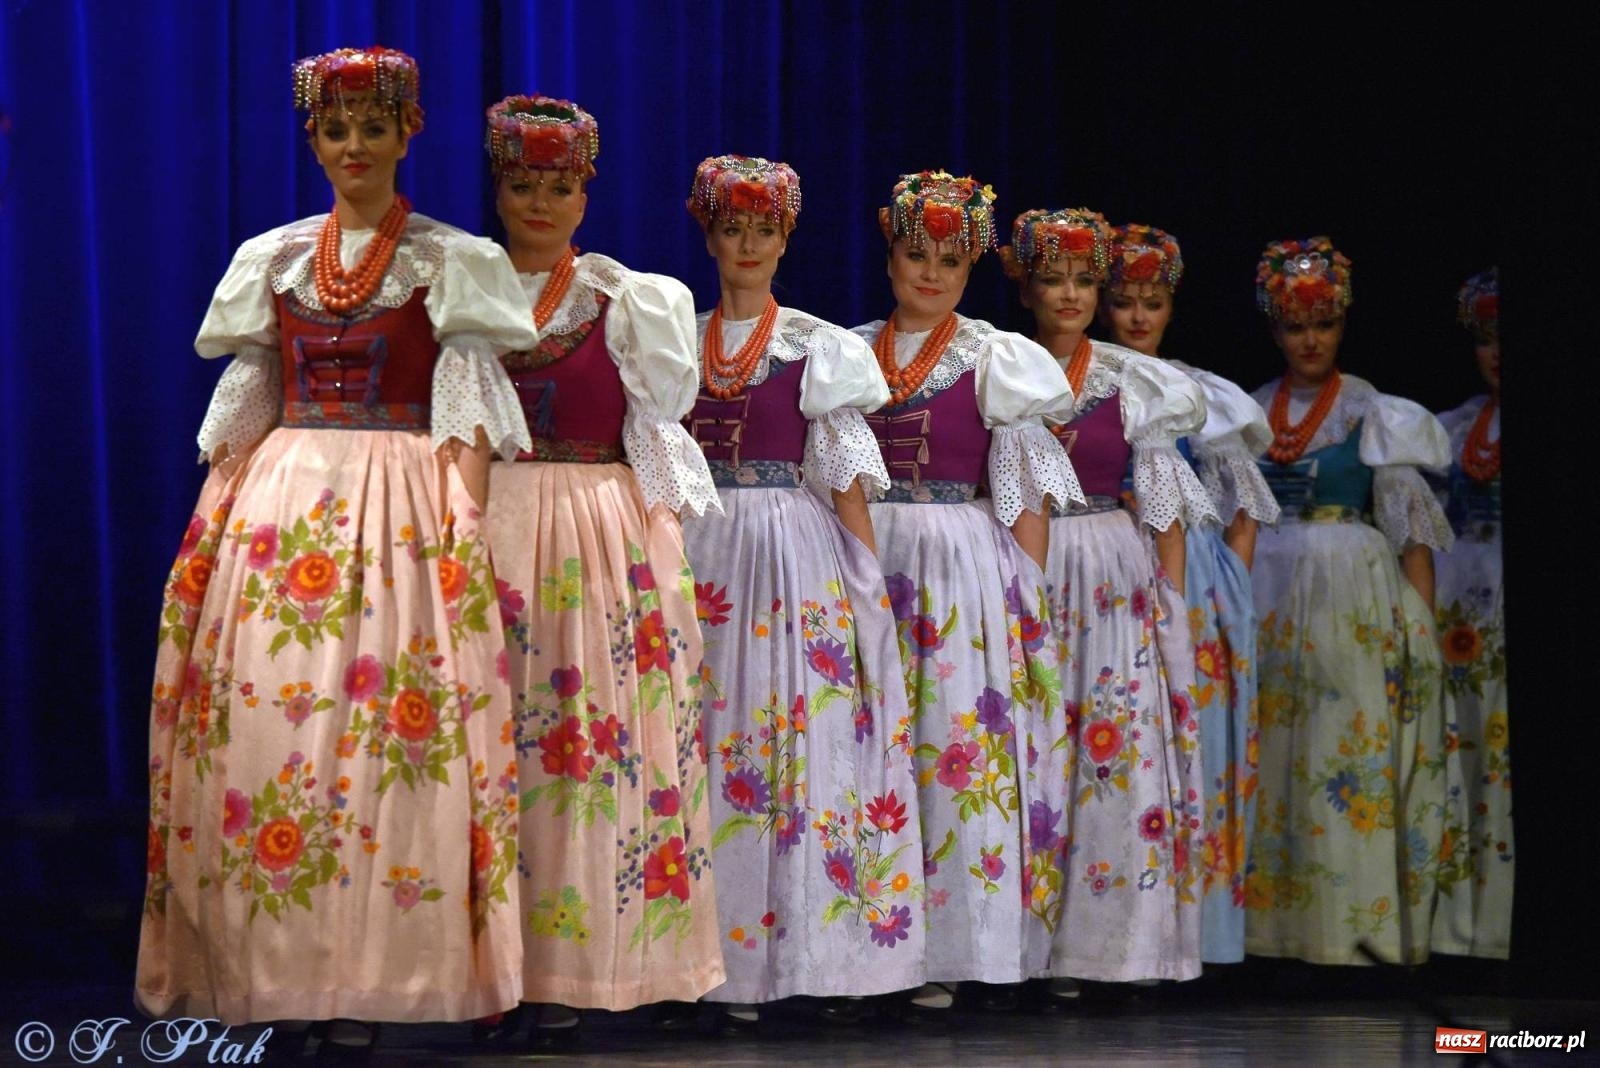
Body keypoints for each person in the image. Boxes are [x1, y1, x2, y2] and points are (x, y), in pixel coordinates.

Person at [137, 47, 534, 1050]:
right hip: (282, 511)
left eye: (373, 125)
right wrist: (212, 532)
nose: (353, 145)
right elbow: (246, 406)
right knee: (278, 735)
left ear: (411, 131)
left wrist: (463, 531)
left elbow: (468, 413)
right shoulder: (271, 258)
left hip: (401, 499)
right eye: (335, 127)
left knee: (384, 739)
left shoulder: (450, 259)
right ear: (312, 137)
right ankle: (279, 974)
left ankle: (373, 977)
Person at [479, 94, 724, 1044]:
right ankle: (491, 968)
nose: (541, 202)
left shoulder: (630, 300)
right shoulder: (462, 286)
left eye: (561, 185)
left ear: (587, 194)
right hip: (491, 522)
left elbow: (657, 429)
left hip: (593, 529)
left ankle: (584, 968)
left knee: (584, 747)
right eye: (522, 183)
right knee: (497, 747)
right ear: (499, 189)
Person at [681, 154, 924, 1026]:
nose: (748, 244)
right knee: (706, 745)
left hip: (788, 558)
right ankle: (708, 967)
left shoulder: (818, 347)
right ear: (708, 232)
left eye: (765, 229)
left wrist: (866, 596)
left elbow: (847, 485)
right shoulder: (674, 336)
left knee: (785, 745)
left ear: (786, 239)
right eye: (733, 226)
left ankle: (795, 960)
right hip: (699, 552)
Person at [852, 170, 1083, 1009]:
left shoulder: (993, 357)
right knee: (871, 744)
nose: (931, 273)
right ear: (891, 256)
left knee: (949, 748)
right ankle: (869, 940)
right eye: (917, 254)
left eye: (950, 260)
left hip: (956, 570)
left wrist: (1026, 598)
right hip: (870, 555)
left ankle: (948, 950)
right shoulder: (847, 353)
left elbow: (1021, 493)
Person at [1001, 208, 1213, 989]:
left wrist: (1173, 615)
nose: (1069, 295)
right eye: (1052, 279)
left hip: (1110, 577)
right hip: (1024, 563)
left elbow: (1163, 514)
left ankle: (1101, 949)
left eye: (1084, 281)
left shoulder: (1134, 383)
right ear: (1024, 287)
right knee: (1030, 750)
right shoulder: (1002, 369)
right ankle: (1018, 950)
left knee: (1110, 754)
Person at [1245, 236, 1454, 966]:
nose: (1310, 339)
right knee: (1273, 760)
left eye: (1323, 324)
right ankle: (1272, 937)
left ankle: (1350, 937)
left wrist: (1420, 631)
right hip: (1268, 597)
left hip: (1353, 607)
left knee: (1346, 762)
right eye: (1295, 325)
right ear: (1274, 329)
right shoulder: (1245, 413)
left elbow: (1410, 536)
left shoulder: (1373, 413)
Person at [1099, 223, 1281, 964]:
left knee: (1195, 745)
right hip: (1110, 563)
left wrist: (1228, 574)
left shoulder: (1197, 392)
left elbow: (1245, 498)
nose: (1138, 318)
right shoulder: (1075, 380)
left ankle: (1197, 932)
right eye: (1124, 302)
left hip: (1194, 579)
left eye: (1152, 302)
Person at [1429, 267, 1511, 959]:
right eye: (1485, 338)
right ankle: (1461, 928)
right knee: (1464, 748)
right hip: (1459, 605)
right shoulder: (1452, 431)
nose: (1496, 352)